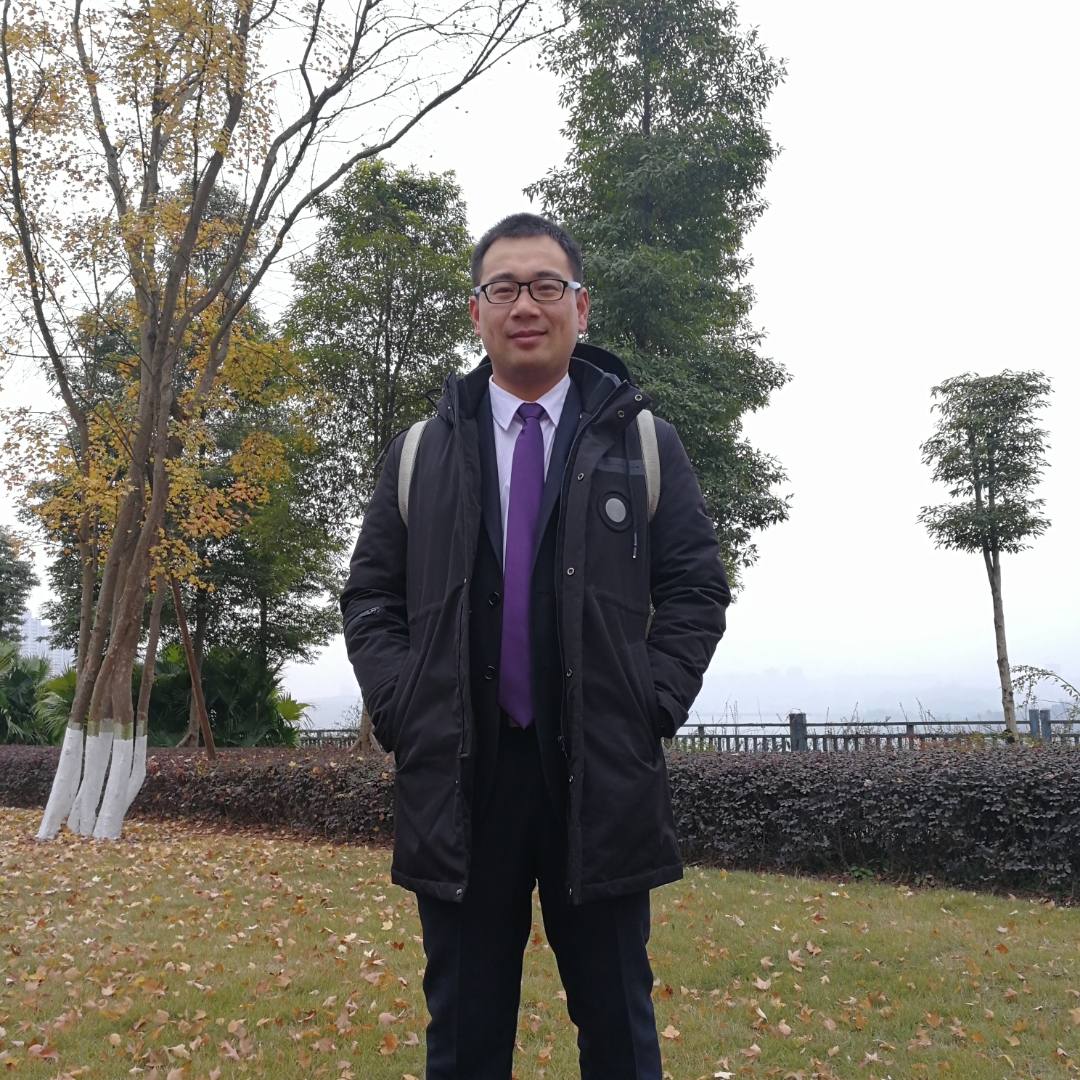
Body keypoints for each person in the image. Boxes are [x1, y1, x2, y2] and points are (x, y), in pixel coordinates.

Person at [341, 213, 730, 1079]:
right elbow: (370, 596)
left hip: (599, 777)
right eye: (504, 288)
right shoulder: (420, 452)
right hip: (462, 782)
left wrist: (649, 706)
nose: (526, 305)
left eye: (546, 286)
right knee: (465, 1039)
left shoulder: (641, 443)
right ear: (476, 310)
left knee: (620, 1031)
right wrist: (404, 707)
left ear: (580, 307)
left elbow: (696, 589)